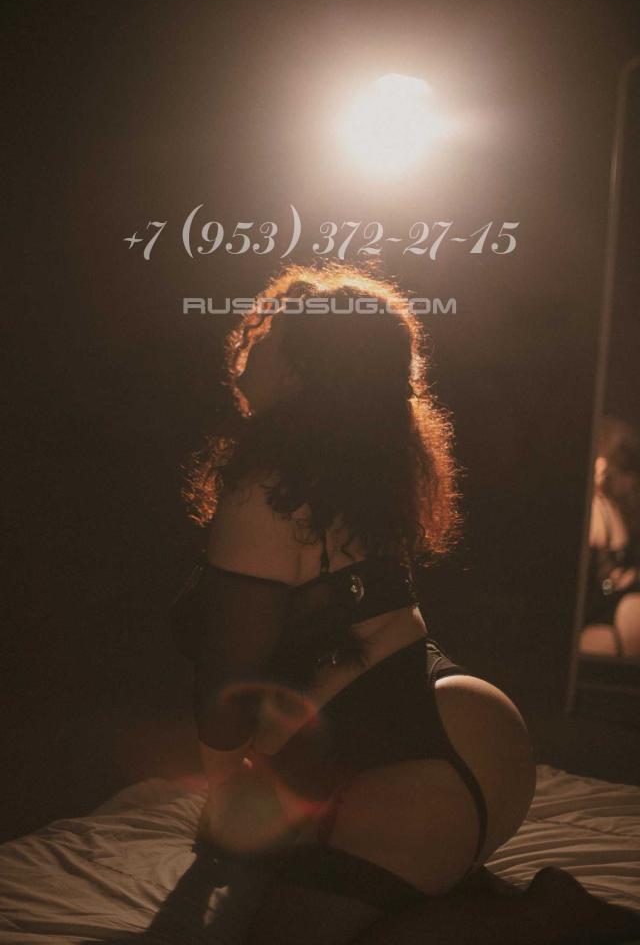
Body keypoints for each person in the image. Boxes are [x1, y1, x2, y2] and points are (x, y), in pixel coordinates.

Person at [170, 263, 640, 944]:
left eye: (269, 330)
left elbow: (227, 681)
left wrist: (225, 792)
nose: (250, 336)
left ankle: (544, 917)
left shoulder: (266, 491)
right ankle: (492, 897)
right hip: (461, 735)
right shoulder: (345, 480)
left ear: (302, 367)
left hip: (418, 759)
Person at [582, 415, 640, 658]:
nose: (632, 482)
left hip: (619, 599)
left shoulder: (624, 510)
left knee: (632, 612)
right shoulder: (595, 507)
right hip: (596, 607)